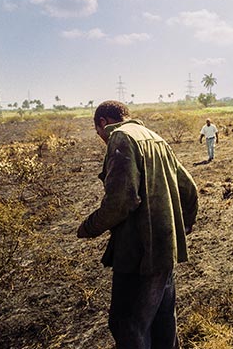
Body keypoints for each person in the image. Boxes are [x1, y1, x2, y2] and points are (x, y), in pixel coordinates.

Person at [77, 100, 198, 349]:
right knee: (163, 323)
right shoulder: (155, 137)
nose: (100, 137)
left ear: (103, 122)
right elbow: (190, 190)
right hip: (165, 250)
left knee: (126, 324)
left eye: (98, 131)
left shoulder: (120, 138)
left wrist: (88, 227)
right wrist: (181, 228)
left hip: (138, 254)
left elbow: (121, 202)